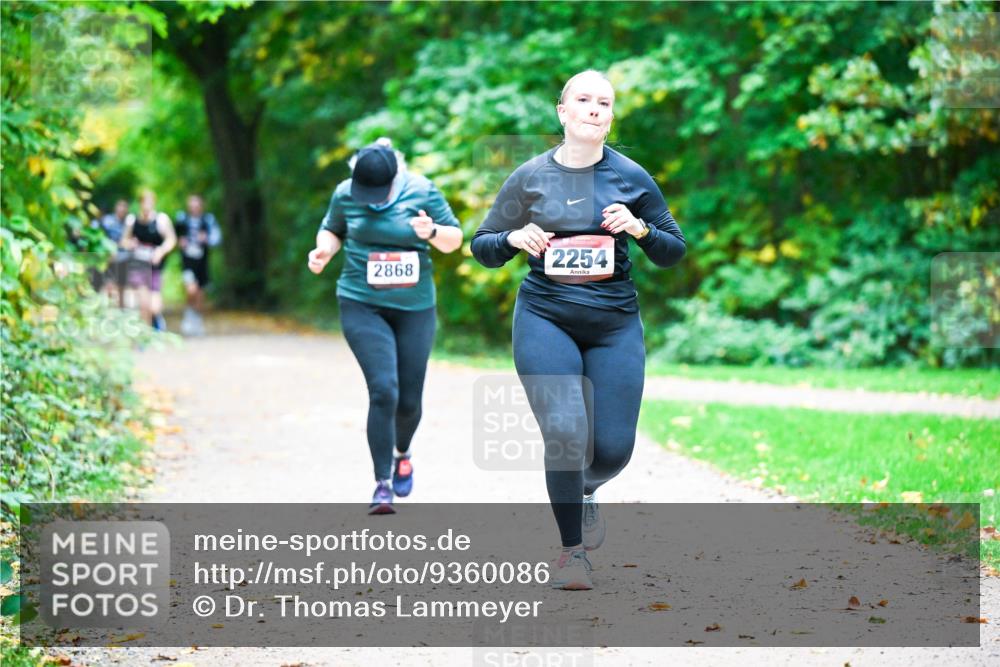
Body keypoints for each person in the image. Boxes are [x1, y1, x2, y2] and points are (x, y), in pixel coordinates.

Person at [471, 70, 687, 589]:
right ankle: (572, 553)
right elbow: (482, 246)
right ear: (563, 112)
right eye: (583, 99)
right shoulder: (529, 177)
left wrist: (641, 229)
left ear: (610, 118)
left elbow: (673, 250)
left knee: (612, 451)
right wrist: (512, 239)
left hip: (614, 325)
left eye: (604, 103)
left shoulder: (631, 176)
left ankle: (584, 489)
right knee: (566, 432)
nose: (593, 108)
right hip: (545, 317)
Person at [307, 139, 463, 514]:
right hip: (361, 303)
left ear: (396, 179)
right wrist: (324, 250)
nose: (372, 200)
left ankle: (402, 453)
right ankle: (382, 484)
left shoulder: (422, 190)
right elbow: (332, 229)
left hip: (415, 308)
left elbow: (454, 240)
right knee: (383, 390)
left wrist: (431, 232)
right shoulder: (345, 193)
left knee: (409, 402)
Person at [122, 190, 177, 331]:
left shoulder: (161, 220)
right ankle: (146, 333)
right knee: (143, 303)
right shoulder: (132, 220)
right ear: (140, 203)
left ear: (153, 203)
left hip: (155, 267)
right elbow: (123, 241)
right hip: (138, 265)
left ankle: (156, 319)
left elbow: (171, 240)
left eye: (149, 202)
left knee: (154, 306)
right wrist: (130, 244)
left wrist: (161, 251)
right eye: (144, 202)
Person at [174, 194, 222, 336]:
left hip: (202, 262)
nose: (194, 208)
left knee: (201, 292)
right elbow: (172, 236)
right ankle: (189, 316)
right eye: (191, 205)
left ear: (201, 206)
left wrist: (207, 239)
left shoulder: (208, 220)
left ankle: (197, 321)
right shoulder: (182, 219)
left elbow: (217, 238)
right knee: (191, 290)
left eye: (196, 205)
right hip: (187, 262)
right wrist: (179, 242)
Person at [96, 199, 134, 307]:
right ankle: (109, 308)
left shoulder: (129, 222)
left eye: (124, 207)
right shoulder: (107, 221)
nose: (121, 210)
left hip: (124, 258)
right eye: (120, 207)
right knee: (109, 285)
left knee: (121, 286)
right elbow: (99, 236)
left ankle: (120, 310)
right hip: (109, 258)